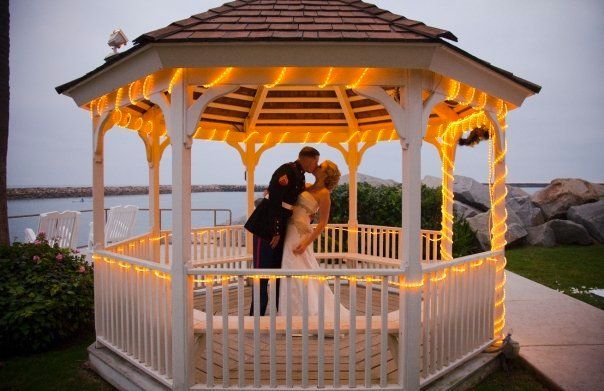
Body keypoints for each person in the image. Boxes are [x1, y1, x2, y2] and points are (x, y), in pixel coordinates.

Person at [244, 146, 320, 316]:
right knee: (261, 275)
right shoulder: (286, 170)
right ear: (308, 159)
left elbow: (293, 202)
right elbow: (275, 203)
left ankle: (280, 312)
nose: (316, 165)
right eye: (316, 161)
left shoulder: (299, 175)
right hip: (266, 228)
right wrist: (276, 231)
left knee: (278, 273)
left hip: (281, 228)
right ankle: (256, 316)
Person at [277, 160, 350, 318]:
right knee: (289, 270)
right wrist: (278, 184)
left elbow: (322, 223)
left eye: (321, 166)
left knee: (299, 269)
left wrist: (306, 243)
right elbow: (287, 193)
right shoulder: (307, 185)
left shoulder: (324, 194)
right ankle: (291, 313)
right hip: (288, 230)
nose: (316, 167)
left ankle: (306, 313)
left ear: (326, 174)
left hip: (300, 234)